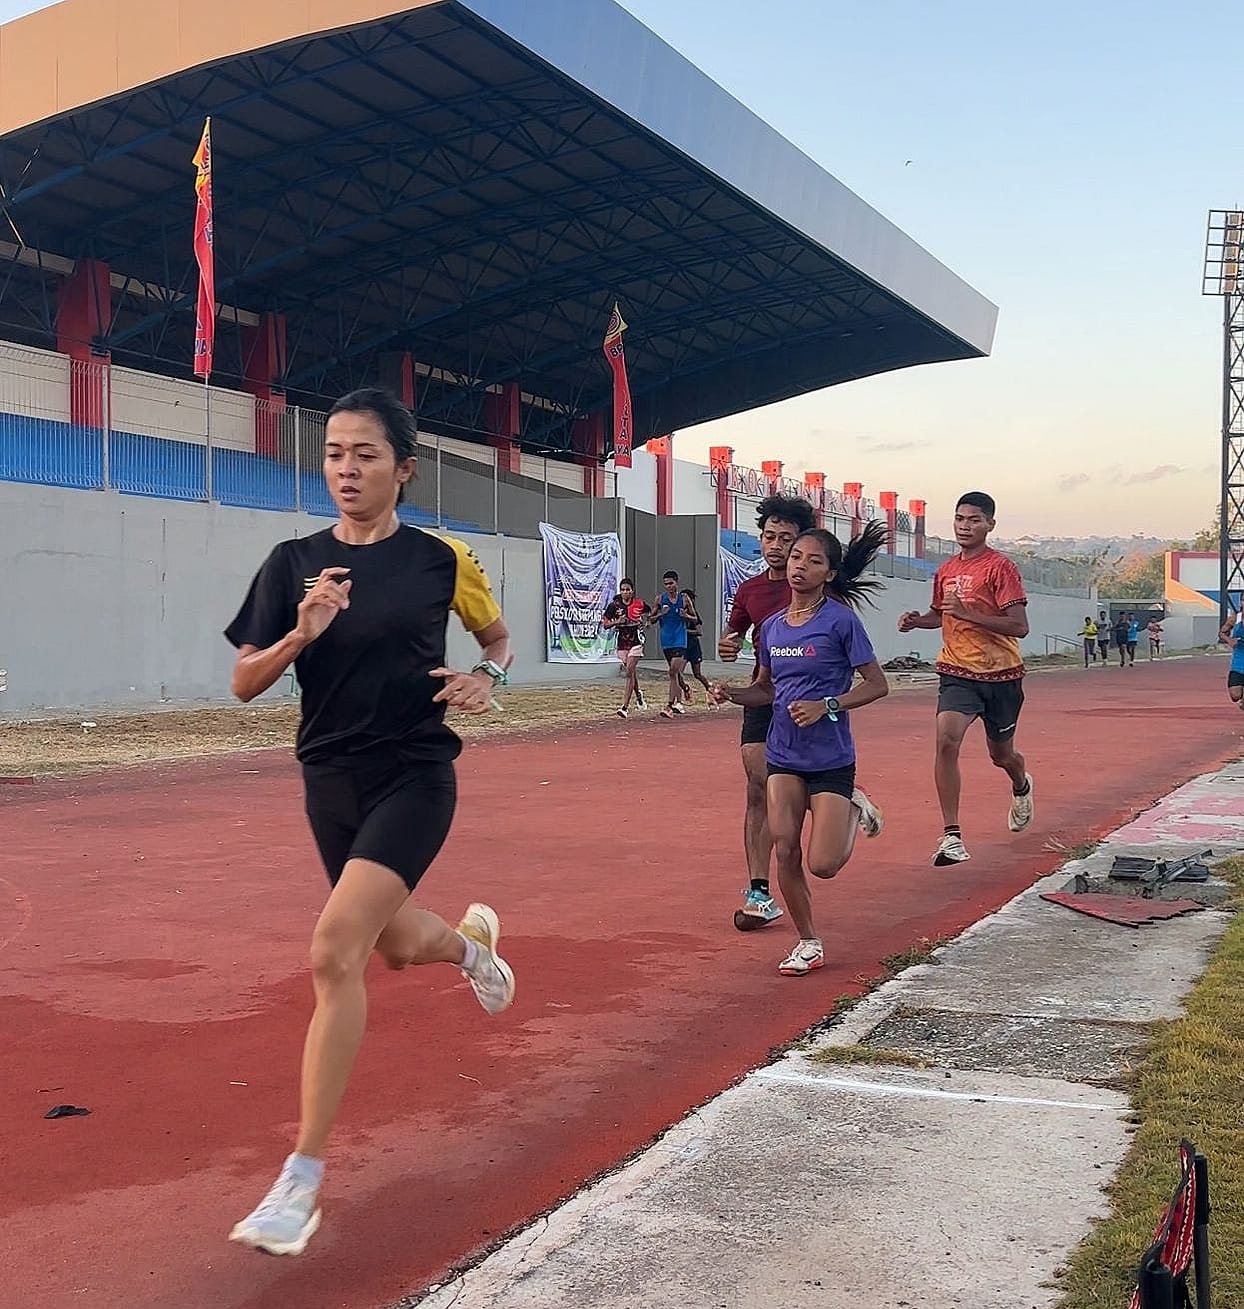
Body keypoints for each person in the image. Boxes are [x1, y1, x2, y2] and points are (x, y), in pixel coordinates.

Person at [223, 387, 516, 1256]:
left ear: (404, 467)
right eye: (335, 454)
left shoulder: (439, 558)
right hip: (330, 775)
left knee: (332, 950)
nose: (346, 470)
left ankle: (300, 1181)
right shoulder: (293, 563)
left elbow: (497, 640)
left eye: (366, 455)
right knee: (386, 946)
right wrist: (300, 635)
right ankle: (472, 948)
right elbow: (244, 682)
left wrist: (487, 678)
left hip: (417, 772)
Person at [712, 524, 889, 975]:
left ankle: (852, 805)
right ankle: (809, 942)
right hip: (783, 757)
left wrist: (827, 704)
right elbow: (766, 691)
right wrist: (733, 693)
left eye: (814, 561)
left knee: (824, 864)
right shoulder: (770, 628)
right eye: (795, 558)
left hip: (830, 759)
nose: (800, 567)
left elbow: (876, 685)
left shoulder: (841, 621)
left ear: (829, 573)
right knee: (785, 849)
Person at [898, 491, 1033, 866]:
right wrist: (917, 621)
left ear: (990, 524)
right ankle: (951, 836)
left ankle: (1021, 783)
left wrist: (971, 614)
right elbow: (941, 615)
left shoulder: (1001, 569)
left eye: (974, 519)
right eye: (959, 519)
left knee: (1001, 755)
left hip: (1001, 675)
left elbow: (1019, 626)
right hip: (957, 673)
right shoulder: (945, 571)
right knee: (946, 741)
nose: (965, 526)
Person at [718, 495, 818, 930]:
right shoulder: (751, 589)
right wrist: (728, 643)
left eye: (787, 540)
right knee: (758, 784)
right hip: (764, 693)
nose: (776, 546)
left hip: (806, 696)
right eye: (770, 537)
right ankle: (759, 893)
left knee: (800, 783)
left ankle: (844, 797)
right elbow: (733, 633)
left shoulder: (815, 585)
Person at [602, 579, 650, 717]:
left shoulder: (639, 604)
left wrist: (646, 623)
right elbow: (605, 624)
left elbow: (650, 613)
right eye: (622, 589)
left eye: (628, 589)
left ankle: (625, 707)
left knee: (629, 671)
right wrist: (617, 621)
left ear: (632, 591)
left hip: (636, 641)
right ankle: (638, 694)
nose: (625, 592)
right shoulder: (614, 606)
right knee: (631, 672)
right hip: (622, 643)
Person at [654, 570, 690, 719]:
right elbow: (650, 619)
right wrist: (661, 613)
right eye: (666, 584)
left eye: (671, 583)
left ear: (677, 582)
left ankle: (669, 705)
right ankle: (684, 691)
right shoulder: (660, 599)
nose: (668, 586)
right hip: (666, 641)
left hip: (680, 639)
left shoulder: (685, 599)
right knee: (674, 673)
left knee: (672, 671)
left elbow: (696, 618)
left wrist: (686, 615)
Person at [682, 588, 713, 699]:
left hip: (693, 646)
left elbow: (699, 632)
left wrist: (685, 631)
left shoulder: (694, 615)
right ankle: (685, 689)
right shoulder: (678, 613)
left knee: (697, 674)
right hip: (682, 646)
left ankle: (710, 689)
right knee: (678, 673)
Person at [1219, 610, 1244, 710]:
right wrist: (1230, 640)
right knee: (1235, 696)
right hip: (1239, 659)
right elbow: (1222, 633)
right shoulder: (1235, 618)